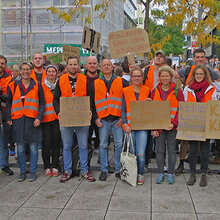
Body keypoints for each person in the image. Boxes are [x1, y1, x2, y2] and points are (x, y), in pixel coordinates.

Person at [175, 48, 220, 174]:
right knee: (189, 144)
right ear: (194, 58)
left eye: (202, 57)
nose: (200, 59)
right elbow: (174, 75)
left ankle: (203, 170)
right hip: (191, 120)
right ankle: (187, 167)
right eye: (197, 57)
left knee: (204, 147)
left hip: (205, 120)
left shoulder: (212, 85)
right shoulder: (187, 80)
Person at [53, 56, 96, 183]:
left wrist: (90, 111)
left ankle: (84, 170)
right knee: (66, 146)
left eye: (75, 64)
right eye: (70, 64)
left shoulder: (84, 79)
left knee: (83, 146)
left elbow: (90, 97)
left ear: (78, 66)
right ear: (66, 66)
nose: (73, 66)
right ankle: (67, 171)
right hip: (66, 118)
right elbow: (55, 99)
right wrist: (58, 113)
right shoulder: (61, 80)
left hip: (81, 118)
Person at [6, 62, 45, 182]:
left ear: (31, 71)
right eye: (23, 69)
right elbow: (8, 102)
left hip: (33, 120)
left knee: (33, 148)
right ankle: (22, 172)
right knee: (21, 148)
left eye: (28, 69)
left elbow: (42, 103)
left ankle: (32, 171)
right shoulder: (13, 85)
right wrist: (9, 118)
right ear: (20, 71)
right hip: (18, 120)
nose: (25, 72)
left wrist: (39, 117)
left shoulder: (37, 85)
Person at [93, 59, 129, 181]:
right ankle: (104, 169)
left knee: (119, 145)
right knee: (103, 145)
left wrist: (122, 118)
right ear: (101, 68)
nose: (106, 67)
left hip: (117, 119)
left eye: (108, 65)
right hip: (102, 119)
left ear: (112, 67)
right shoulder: (95, 82)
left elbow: (127, 101)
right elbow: (92, 102)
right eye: (104, 65)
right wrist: (96, 118)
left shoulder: (122, 81)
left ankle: (118, 170)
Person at [183, 64, 216, 187]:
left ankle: (203, 174)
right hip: (192, 123)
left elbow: (214, 105)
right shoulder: (187, 89)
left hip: (206, 122)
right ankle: (192, 173)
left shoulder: (211, 89)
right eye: (197, 74)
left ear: (205, 75)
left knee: (204, 150)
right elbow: (185, 105)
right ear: (193, 75)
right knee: (192, 150)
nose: (199, 76)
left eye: (201, 74)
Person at [150, 66, 184, 184]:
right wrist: (153, 128)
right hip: (159, 127)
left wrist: (174, 123)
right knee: (159, 151)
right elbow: (152, 111)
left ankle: (170, 173)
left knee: (172, 150)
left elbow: (181, 109)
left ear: (171, 77)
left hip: (172, 127)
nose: (164, 78)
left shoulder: (177, 91)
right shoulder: (154, 91)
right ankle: (160, 172)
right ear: (159, 77)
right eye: (162, 76)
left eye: (167, 76)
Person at [122, 66, 150, 185]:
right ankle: (132, 172)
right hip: (130, 126)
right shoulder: (126, 90)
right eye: (135, 76)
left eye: (139, 76)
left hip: (143, 126)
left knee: (141, 153)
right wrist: (125, 125)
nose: (137, 78)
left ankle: (140, 174)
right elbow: (123, 110)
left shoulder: (147, 90)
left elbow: (152, 110)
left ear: (142, 77)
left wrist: (150, 103)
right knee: (131, 152)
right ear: (131, 77)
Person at [41, 65, 60, 177]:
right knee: (46, 143)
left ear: (56, 73)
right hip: (46, 119)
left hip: (57, 118)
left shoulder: (60, 84)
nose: (51, 73)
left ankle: (55, 166)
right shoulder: (42, 86)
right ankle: (47, 166)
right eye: (49, 71)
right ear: (46, 72)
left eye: (53, 71)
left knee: (56, 143)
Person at [0, 55, 14, 176]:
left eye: (2, 63)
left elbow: (10, 97)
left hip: (3, 114)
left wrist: (1, 93)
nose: (0, 65)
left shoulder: (9, 79)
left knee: (3, 142)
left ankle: (4, 165)